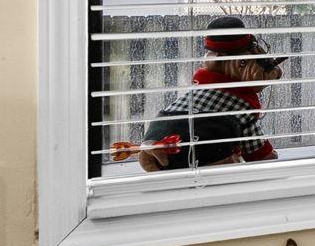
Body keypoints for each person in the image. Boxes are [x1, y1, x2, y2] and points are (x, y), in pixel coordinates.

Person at [110, 16, 284, 171]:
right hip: (196, 151)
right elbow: (258, 154)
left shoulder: (198, 92)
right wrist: (268, 156)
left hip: (159, 136)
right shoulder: (240, 105)